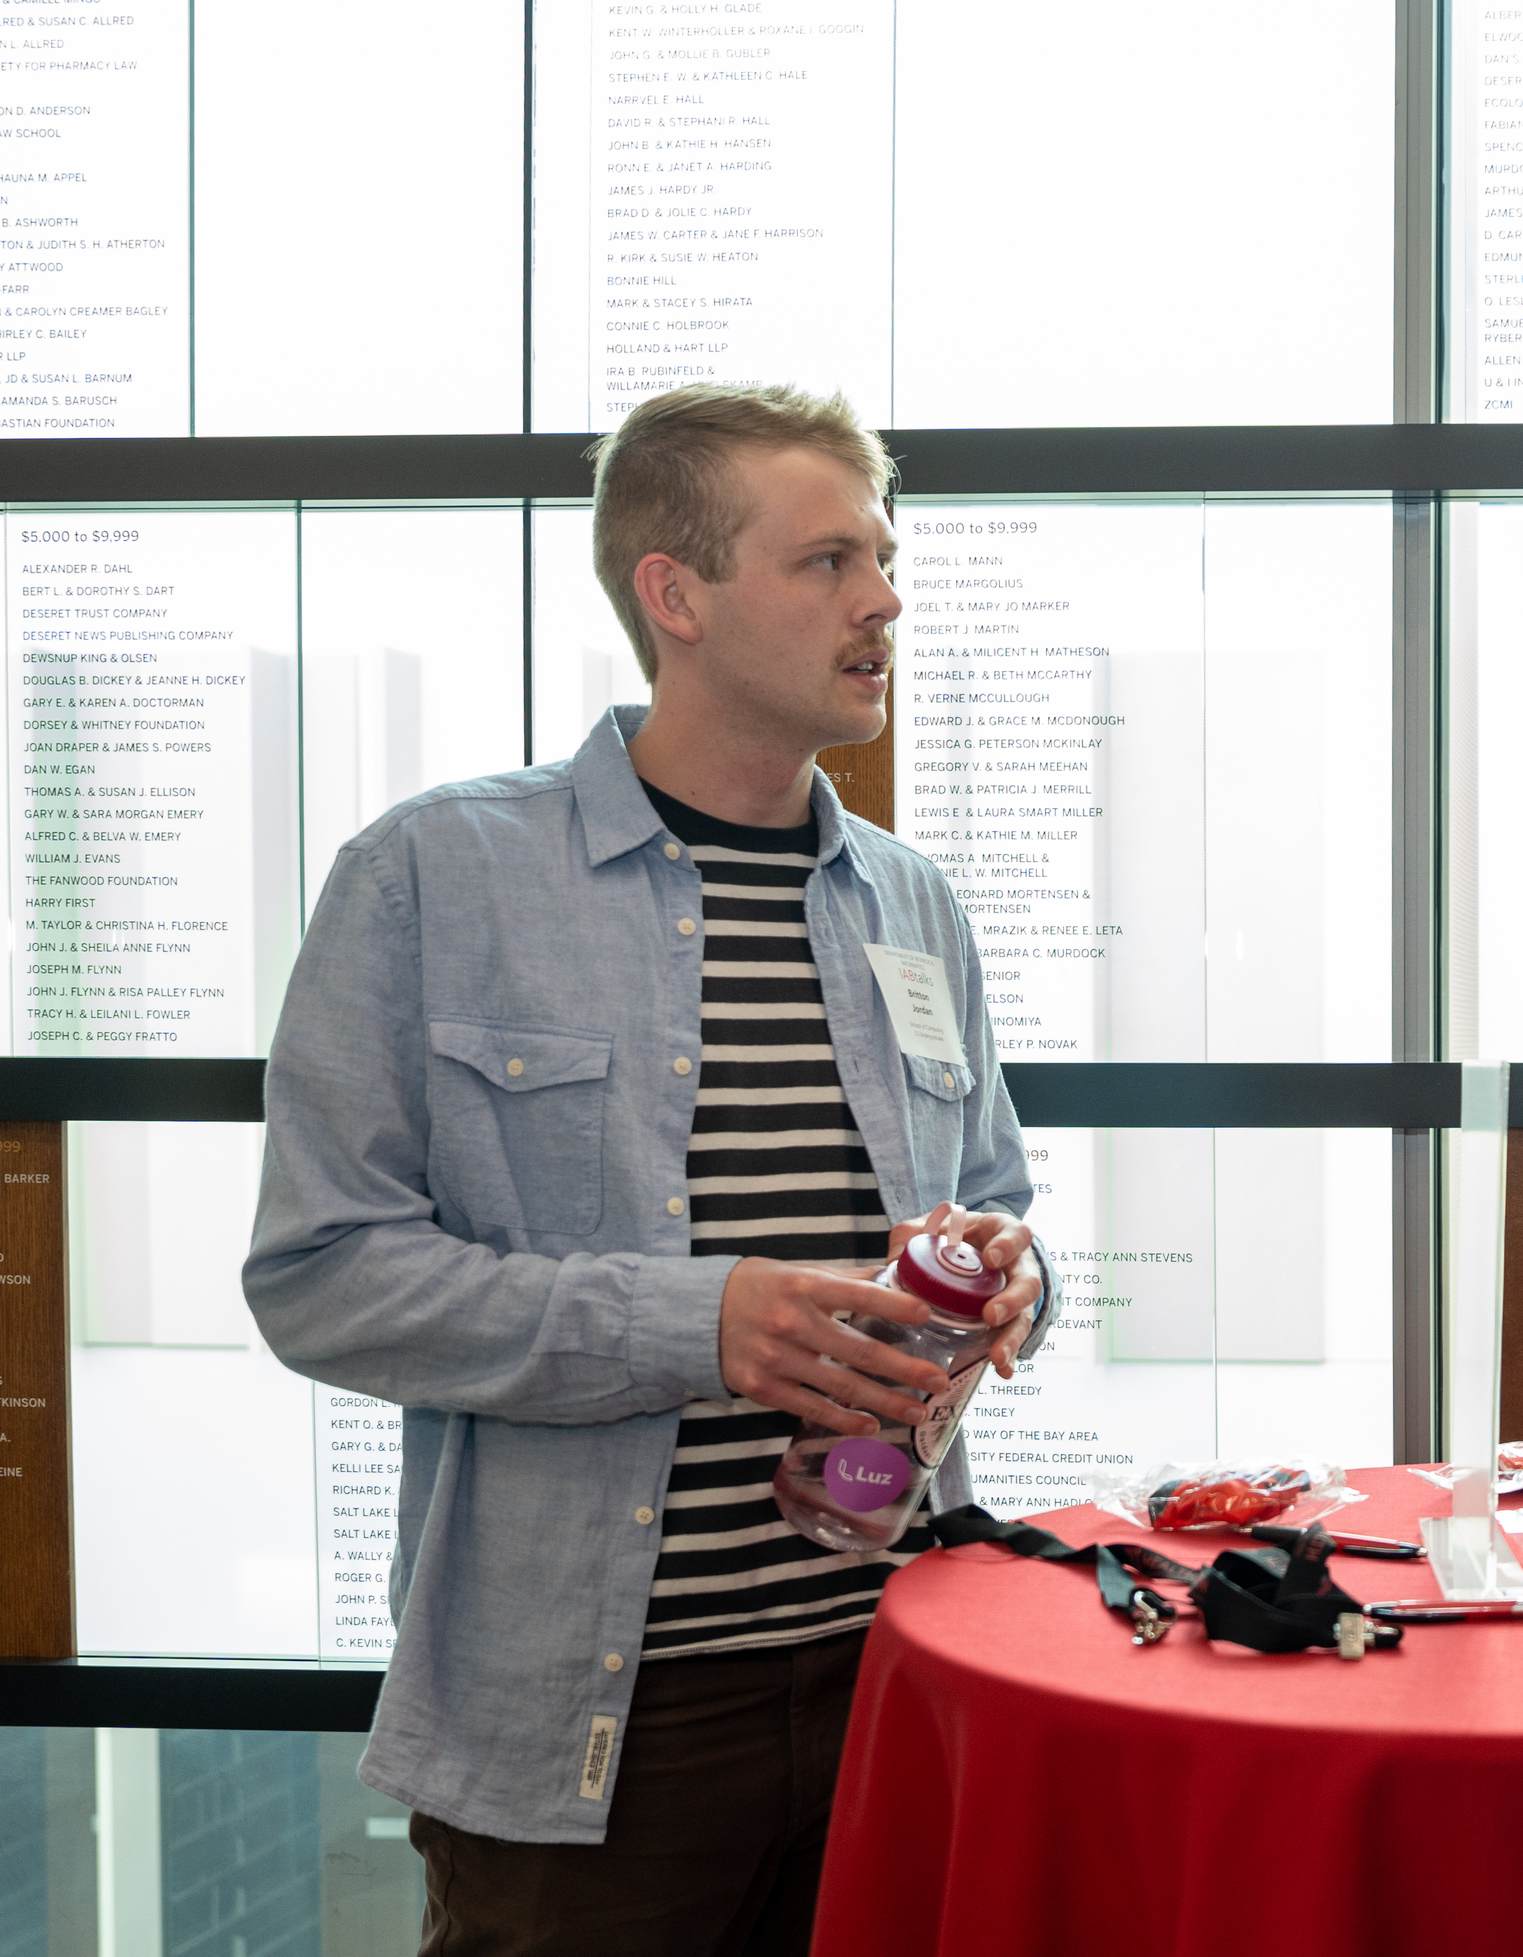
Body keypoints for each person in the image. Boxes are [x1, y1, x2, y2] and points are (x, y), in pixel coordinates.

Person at [245, 383, 1051, 1956]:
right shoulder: (433, 874)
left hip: (903, 1677)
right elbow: (321, 1279)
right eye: (828, 563)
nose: (883, 600)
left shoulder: (911, 901)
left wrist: (1017, 1277)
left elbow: (996, 1201)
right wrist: (702, 1324)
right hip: (595, 1740)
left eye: (884, 560)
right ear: (673, 595)